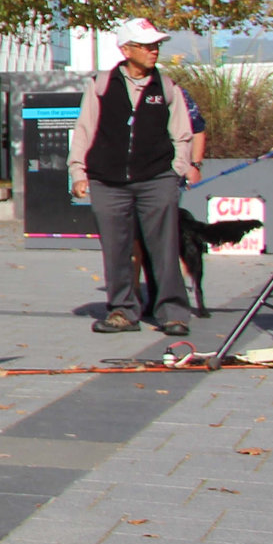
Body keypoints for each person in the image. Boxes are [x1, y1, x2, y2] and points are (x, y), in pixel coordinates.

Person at [68, 19, 200, 337]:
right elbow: (84, 129)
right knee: (117, 249)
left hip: (157, 179)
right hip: (107, 181)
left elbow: (183, 133)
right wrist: (77, 171)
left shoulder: (166, 86)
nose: (154, 51)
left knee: (164, 247)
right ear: (126, 50)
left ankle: (172, 312)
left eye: (157, 45)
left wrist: (178, 170)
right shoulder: (101, 84)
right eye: (147, 45)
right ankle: (123, 312)